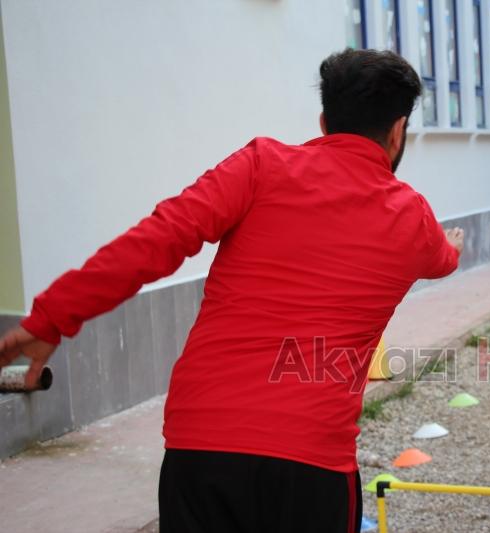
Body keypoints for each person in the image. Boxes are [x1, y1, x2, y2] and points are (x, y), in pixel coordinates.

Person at [0, 48, 464, 532]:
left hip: (201, 446)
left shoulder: (261, 165)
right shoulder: (413, 217)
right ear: (397, 131)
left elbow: (155, 241)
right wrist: (451, 246)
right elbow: (442, 260)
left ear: (324, 121)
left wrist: (51, 318)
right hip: (311, 460)